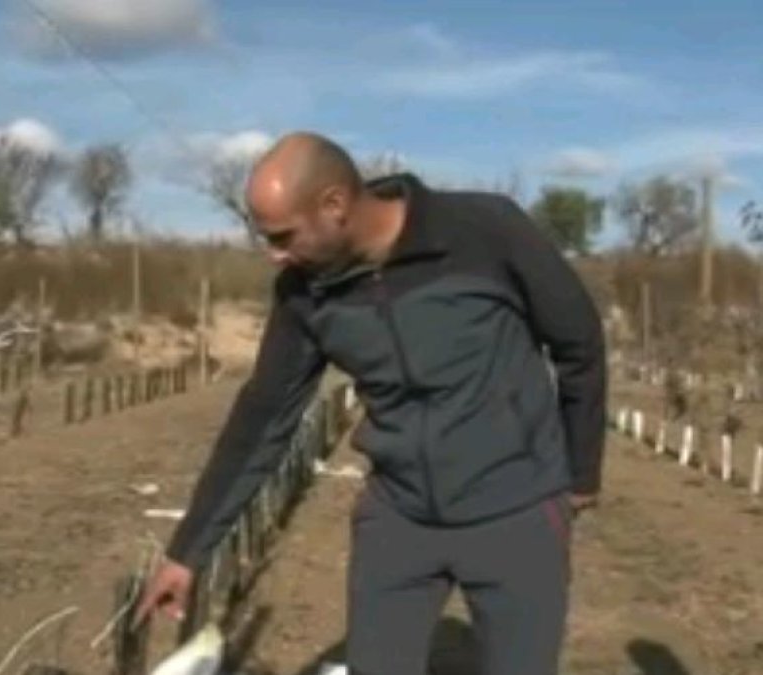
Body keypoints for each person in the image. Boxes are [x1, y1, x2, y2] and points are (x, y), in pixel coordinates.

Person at [132, 131, 606, 675]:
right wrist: (189, 551)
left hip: (515, 510)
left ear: (335, 204)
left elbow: (579, 343)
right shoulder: (302, 293)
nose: (274, 255)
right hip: (399, 518)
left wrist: (580, 474)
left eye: (284, 236)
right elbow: (263, 417)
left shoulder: (484, 230)